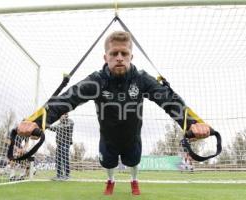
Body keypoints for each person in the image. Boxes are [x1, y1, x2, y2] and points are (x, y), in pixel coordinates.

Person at [17, 31, 211, 195]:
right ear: (106, 57)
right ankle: (111, 181)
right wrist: (37, 123)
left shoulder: (142, 79)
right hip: (107, 139)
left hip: (132, 138)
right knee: (108, 164)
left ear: (131, 56)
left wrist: (192, 123)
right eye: (114, 53)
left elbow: (169, 100)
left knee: (133, 162)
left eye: (124, 53)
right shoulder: (96, 81)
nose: (119, 57)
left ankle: (134, 180)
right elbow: (65, 100)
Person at [49, 113, 74, 181]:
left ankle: (67, 175)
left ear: (66, 115)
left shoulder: (70, 122)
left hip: (66, 143)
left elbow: (66, 126)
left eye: (61, 115)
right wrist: (46, 125)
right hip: (59, 144)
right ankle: (59, 175)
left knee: (65, 159)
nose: (59, 117)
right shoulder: (59, 124)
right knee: (58, 159)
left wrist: (57, 126)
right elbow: (53, 128)